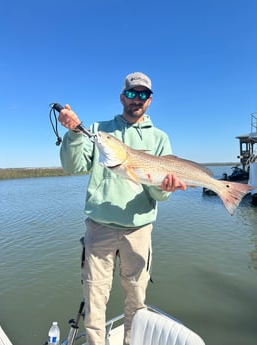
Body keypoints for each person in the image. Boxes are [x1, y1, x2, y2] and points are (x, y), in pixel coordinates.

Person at [58, 72, 186, 345]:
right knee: (94, 297)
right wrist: (73, 134)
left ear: (149, 101)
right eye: (131, 93)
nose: (136, 99)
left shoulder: (160, 139)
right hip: (99, 228)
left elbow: (160, 198)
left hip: (139, 231)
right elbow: (72, 166)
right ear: (122, 97)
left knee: (137, 297)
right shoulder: (99, 130)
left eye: (142, 94)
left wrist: (164, 188)